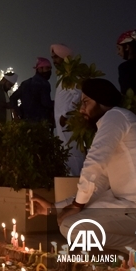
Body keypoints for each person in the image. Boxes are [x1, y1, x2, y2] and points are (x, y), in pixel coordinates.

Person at [31, 79, 136, 265]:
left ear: (101, 101)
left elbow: (94, 163)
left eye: (86, 102)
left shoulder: (115, 117)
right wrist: (53, 208)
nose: (81, 109)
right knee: (72, 220)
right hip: (132, 209)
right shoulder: (115, 122)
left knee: (72, 225)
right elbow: (98, 184)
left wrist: (76, 205)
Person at [51, 43, 85, 176]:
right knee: (65, 154)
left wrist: (66, 115)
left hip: (68, 123)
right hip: (61, 124)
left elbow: (78, 94)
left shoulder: (72, 75)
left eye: (57, 58)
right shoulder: (62, 75)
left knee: (73, 154)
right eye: (53, 58)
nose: (54, 61)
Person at [10, 58, 54, 124]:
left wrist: (17, 113)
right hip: (40, 123)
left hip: (25, 122)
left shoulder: (25, 83)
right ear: (39, 69)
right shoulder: (44, 84)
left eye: (50, 69)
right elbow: (46, 103)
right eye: (47, 68)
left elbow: (13, 98)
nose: (49, 71)